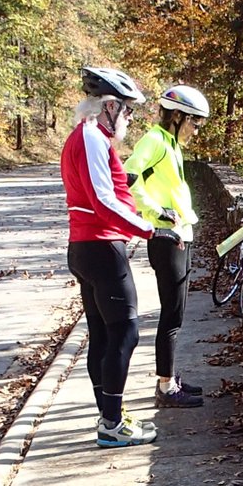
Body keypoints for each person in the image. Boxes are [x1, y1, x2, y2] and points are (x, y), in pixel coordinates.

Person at [61, 65, 158, 448]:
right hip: (101, 247)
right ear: (110, 106)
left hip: (87, 247)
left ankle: (110, 417)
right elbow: (102, 200)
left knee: (102, 335)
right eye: (128, 110)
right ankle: (112, 425)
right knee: (125, 333)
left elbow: (100, 189)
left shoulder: (88, 136)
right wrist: (150, 230)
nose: (130, 118)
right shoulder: (91, 137)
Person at [124, 85, 210, 408]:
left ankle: (170, 378)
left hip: (180, 236)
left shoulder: (171, 145)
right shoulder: (155, 141)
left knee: (177, 313)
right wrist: (156, 211)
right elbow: (128, 176)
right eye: (194, 123)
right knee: (171, 315)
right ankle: (166, 387)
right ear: (177, 116)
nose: (196, 131)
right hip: (166, 238)